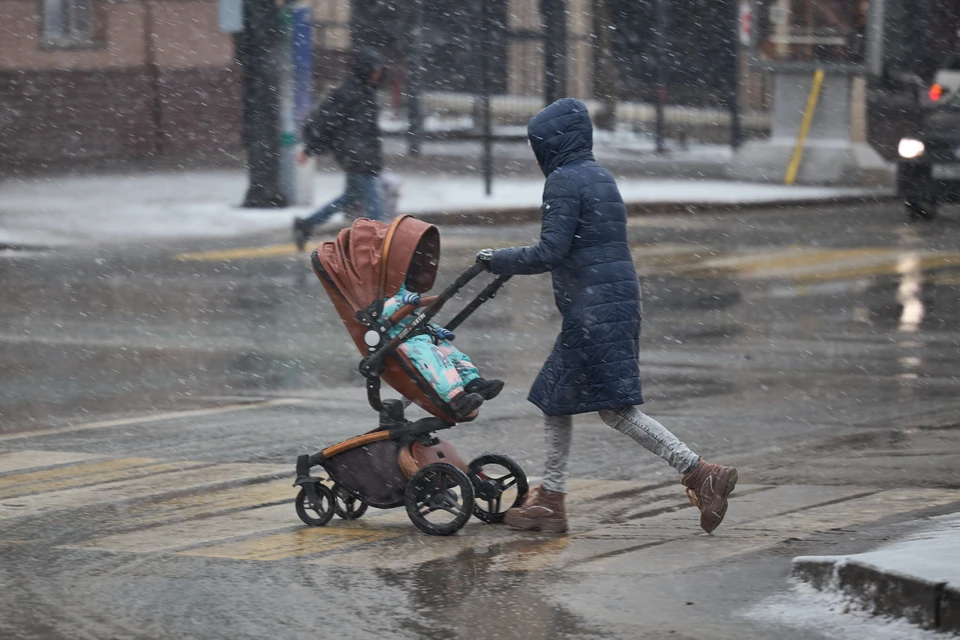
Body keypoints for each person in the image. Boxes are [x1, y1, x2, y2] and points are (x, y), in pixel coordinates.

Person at [475, 98, 738, 534]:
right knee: (559, 397)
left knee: (613, 409)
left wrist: (497, 259)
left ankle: (696, 471)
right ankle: (555, 499)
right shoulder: (599, 176)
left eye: (538, 145)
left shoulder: (562, 181)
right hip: (613, 300)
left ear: (551, 145)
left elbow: (551, 250)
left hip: (592, 308)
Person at [383, 268, 504, 421]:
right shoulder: (382, 297)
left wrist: (438, 331)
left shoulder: (403, 289)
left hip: (422, 334)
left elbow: (419, 319)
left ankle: (475, 383)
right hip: (405, 340)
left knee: (455, 356)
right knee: (437, 363)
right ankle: (457, 398)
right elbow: (384, 313)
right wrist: (404, 301)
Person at [294, 47, 385, 251]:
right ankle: (380, 245)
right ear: (366, 69)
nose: (379, 74)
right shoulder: (350, 94)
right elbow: (327, 122)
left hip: (362, 157)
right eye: (375, 69)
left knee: (351, 198)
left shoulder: (364, 93)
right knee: (375, 206)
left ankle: (307, 224)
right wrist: (309, 149)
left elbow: (365, 131)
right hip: (358, 158)